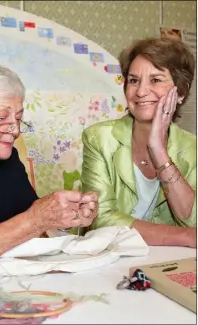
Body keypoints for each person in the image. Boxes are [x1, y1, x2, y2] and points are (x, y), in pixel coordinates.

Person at [0, 58, 98, 276]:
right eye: (2, 117)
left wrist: (62, 217)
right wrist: (36, 219)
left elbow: (34, 235)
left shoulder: (9, 162)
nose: (15, 130)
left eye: (18, 118)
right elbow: (30, 221)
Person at [81, 37, 196, 247]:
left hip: (170, 264)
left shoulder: (192, 148)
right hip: (111, 261)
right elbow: (101, 219)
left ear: (180, 92)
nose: (141, 92)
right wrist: (185, 236)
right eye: (134, 80)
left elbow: (192, 218)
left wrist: (159, 151)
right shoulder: (98, 138)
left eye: (155, 80)